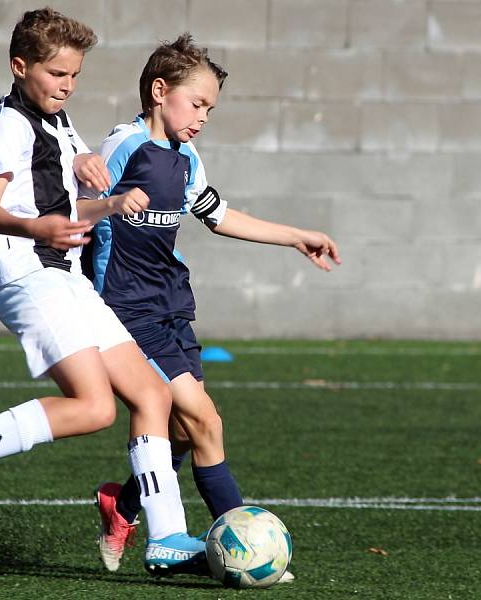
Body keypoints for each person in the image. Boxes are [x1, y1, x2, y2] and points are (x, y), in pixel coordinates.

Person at [0, 9, 204, 574]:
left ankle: (167, 538)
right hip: (27, 277)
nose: (68, 85)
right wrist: (39, 227)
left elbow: (62, 206)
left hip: (65, 277)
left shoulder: (60, 122)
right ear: (20, 66)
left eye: (75, 75)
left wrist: (106, 201)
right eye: (58, 74)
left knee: (152, 396)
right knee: (94, 407)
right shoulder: (6, 126)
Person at [85, 34, 341, 577]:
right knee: (204, 419)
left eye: (210, 109)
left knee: (182, 431)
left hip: (174, 307)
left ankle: (122, 506)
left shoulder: (186, 157)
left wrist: (295, 236)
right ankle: (243, 547)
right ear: (160, 91)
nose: (204, 116)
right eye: (197, 103)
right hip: (127, 310)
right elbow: (73, 207)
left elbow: (218, 216)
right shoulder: (122, 146)